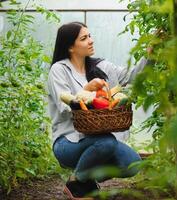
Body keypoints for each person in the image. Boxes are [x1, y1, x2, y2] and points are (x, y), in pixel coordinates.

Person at [47, 21, 149, 200]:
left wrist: (150, 55)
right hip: (68, 142)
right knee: (106, 142)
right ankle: (76, 181)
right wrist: (87, 88)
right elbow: (65, 107)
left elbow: (132, 76)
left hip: (100, 140)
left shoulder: (101, 67)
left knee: (132, 163)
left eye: (90, 36)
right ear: (70, 46)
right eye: (84, 38)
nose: (91, 41)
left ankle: (84, 180)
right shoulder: (59, 70)